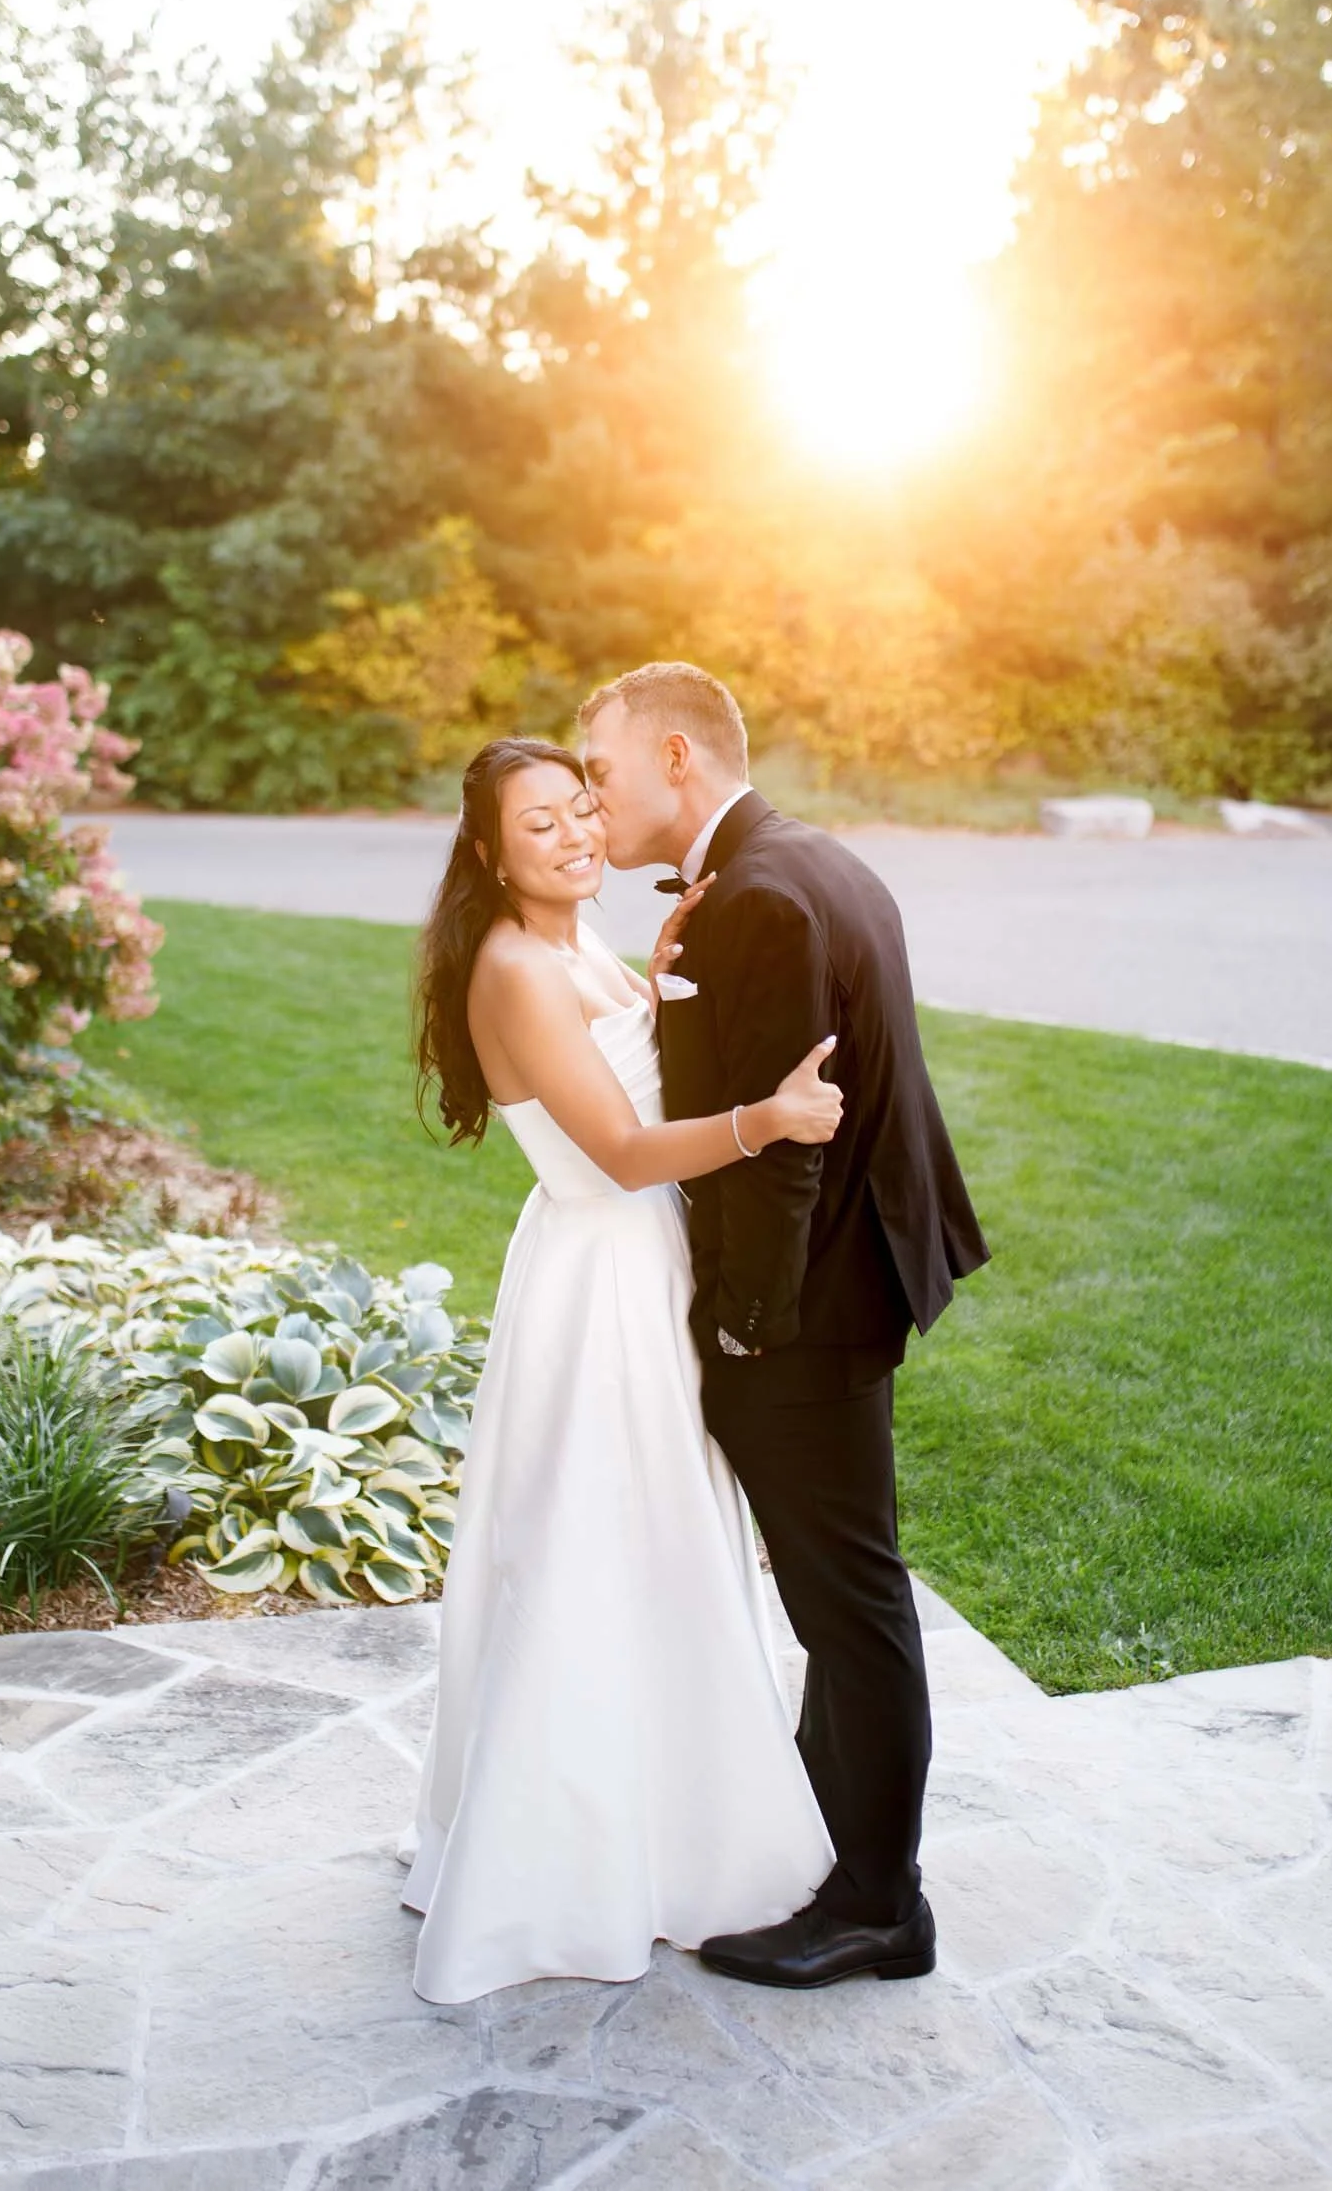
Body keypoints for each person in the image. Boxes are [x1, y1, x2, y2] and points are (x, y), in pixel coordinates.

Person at [400, 735, 844, 2005]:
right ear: (490, 853)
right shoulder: (515, 967)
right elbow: (624, 1148)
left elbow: (619, 1056)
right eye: (538, 824)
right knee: (595, 1546)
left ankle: (662, 1828)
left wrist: (652, 983)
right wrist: (767, 1120)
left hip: (627, 1267)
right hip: (598, 1280)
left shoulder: (574, 945)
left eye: (583, 808)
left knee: (656, 1542)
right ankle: (572, 1863)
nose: (575, 834)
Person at [580, 663, 990, 1991]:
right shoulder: (804, 863)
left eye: (603, 769)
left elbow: (778, 1157)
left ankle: (880, 1903)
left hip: (807, 1307)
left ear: (679, 758)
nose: (593, 795)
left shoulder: (757, 896)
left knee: (848, 1601)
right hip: (853, 1276)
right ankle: (830, 1837)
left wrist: (746, 1328)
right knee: (842, 1590)